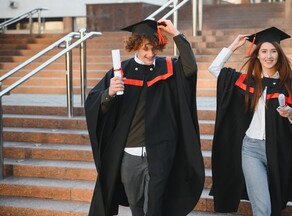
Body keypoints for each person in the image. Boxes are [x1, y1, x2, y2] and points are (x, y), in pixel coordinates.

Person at [85, 18, 205, 216]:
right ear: (135, 46)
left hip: (160, 151)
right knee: (136, 206)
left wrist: (176, 35)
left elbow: (190, 68)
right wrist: (110, 93)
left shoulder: (168, 68)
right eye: (146, 49)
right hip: (129, 154)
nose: (151, 54)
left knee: (155, 206)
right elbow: (94, 104)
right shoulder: (121, 71)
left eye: (154, 48)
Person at [208, 27, 292, 216]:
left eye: (273, 51)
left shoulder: (290, 85)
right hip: (251, 150)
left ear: (279, 55)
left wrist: (291, 114)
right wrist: (233, 46)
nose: (268, 56)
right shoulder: (246, 81)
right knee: (262, 206)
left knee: (273, 204)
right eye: (264, 51)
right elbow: (214, 69)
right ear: (257, 55)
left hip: (279, 150)